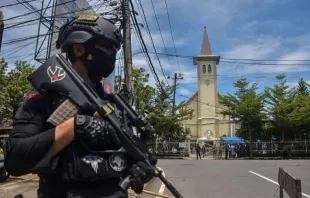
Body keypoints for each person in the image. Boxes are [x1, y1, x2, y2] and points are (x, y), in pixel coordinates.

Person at [4, 14, 155, 198]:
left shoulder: (114, 106)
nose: (112, 55)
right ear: (79, 49)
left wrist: (138, 171)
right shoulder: (44, 100)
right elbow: (15, 159)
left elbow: (125, 166)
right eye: (106, 47)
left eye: (115, 49)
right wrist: (76, 126)